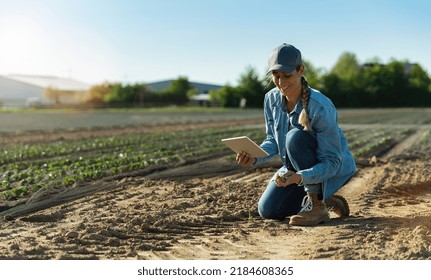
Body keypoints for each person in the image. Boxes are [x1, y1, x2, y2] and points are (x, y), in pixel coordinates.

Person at [236, 43, 356, 226]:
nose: (281, 82)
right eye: (276, 76)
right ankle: (326, 200)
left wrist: (299, 177)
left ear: (301, 70)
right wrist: (254, 157)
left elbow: (332, 162)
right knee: (268, 210)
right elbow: (273, 141)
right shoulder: (271, 99)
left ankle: (317, 205)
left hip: (330, 169)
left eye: (287, 75)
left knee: (294, 137)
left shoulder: (320, 107)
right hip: (296, 167)